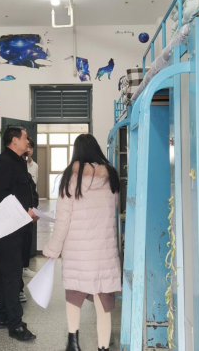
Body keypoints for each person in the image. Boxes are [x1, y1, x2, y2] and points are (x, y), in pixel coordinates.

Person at [43, 134, 121, 351]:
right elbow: (114, 207)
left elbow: (63, 220)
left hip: (78, 251)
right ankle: (103, 347)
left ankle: (73, 344)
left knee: (74, 296)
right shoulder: (111, 175)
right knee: (103, 301)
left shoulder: (71, 177)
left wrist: (53, 248)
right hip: (104, 250)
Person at [0, 126, 39, 342]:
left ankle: (2, 317)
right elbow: (0, 198)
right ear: (14, 140)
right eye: (25, 138)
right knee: (12, 277)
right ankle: (15, 325)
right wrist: (23, 212)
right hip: (8, 230)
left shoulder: (19, 162)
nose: (28, 141)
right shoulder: (4, 163)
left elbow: (25, 190)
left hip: (20, 227)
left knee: (8, 275)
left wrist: (31, 211)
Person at [22, 137, 38, 280]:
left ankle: (25, 267)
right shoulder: (18, 163)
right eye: (27, 147)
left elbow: (35, 187)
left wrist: (35, 207)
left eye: (31, 147)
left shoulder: (35, 166)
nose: (29, 150)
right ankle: (20, 267)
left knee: (28, 237)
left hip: (31, 206)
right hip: (20, 206)